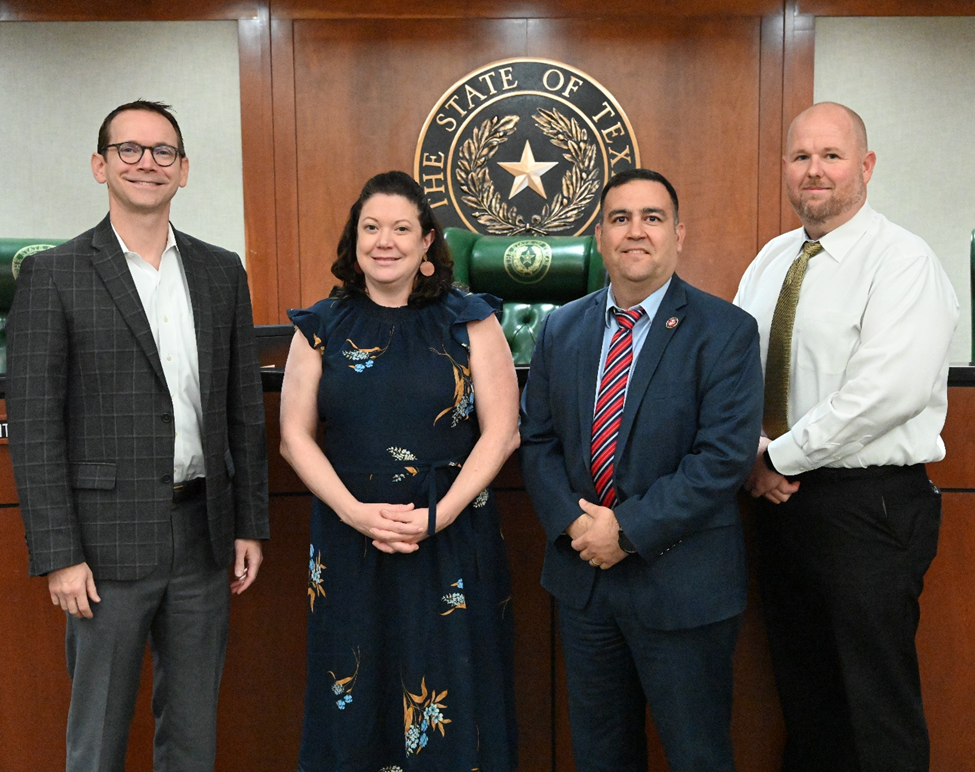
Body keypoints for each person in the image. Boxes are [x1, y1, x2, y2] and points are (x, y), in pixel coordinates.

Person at [5, 100, 269, 771]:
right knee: (97, 735)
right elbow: (34, 429)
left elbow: (242, 410)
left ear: (184, 171)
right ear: (100, 165)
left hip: (203, 536)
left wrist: (247, 525)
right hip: (102, 546)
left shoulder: (221, 272)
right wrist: (59, 553)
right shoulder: (54, 275)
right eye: (129, 150)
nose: (146, 163)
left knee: (191, 734)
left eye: (163, 153)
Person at [735, 102, 959, 772]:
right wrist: (750, 455)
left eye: (831, 156)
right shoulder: (772, 259)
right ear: (785, 169)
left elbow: (881, 395)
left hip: (867, 509)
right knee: (808, 704)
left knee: (873, 712)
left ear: (864, 167)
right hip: (778, 505)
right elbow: (735, 369)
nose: (814, 171)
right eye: (801, 156)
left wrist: (774, 456)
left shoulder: (902, 261)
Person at [520, 168, 764, 772]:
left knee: (697, 755)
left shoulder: (726, 331)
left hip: (684, 584)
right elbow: (539, 442)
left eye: (652, 218)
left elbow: (722, 459)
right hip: (586, 584)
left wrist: (624, 532)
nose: (636, 232)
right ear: (599, 236)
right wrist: (577, 527)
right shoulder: (561, 328)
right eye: (620, 219)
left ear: (679, 234)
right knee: (601, 756)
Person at [279, 170, 520, 772]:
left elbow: (502, 433)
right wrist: (354, 513)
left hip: (452, 531)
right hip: (347, 533)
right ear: (354, 240)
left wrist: (442, 514)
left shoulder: (472, 320)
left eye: (400, 228)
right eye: (370, 227)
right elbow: (293, 438)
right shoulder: (320, 327)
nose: (384, 240)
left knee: (454, 685)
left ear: (425, 245)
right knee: (354, 687)